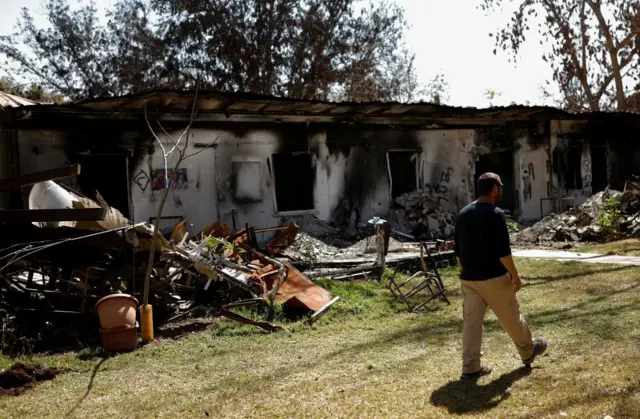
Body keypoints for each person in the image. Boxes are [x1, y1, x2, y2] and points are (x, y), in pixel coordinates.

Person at [453, 172, 548, 380]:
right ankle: (528, 351)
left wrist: (466, 271)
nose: (502, 191)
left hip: (468, 279)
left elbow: (458, 253)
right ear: (495, 188)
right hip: (493, 277)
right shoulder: (495, 214)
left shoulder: (463, 214)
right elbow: (503, 252)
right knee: (512, 318)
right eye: (501, 187)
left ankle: (470, 368)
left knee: (471, 324)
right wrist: (515, 275)